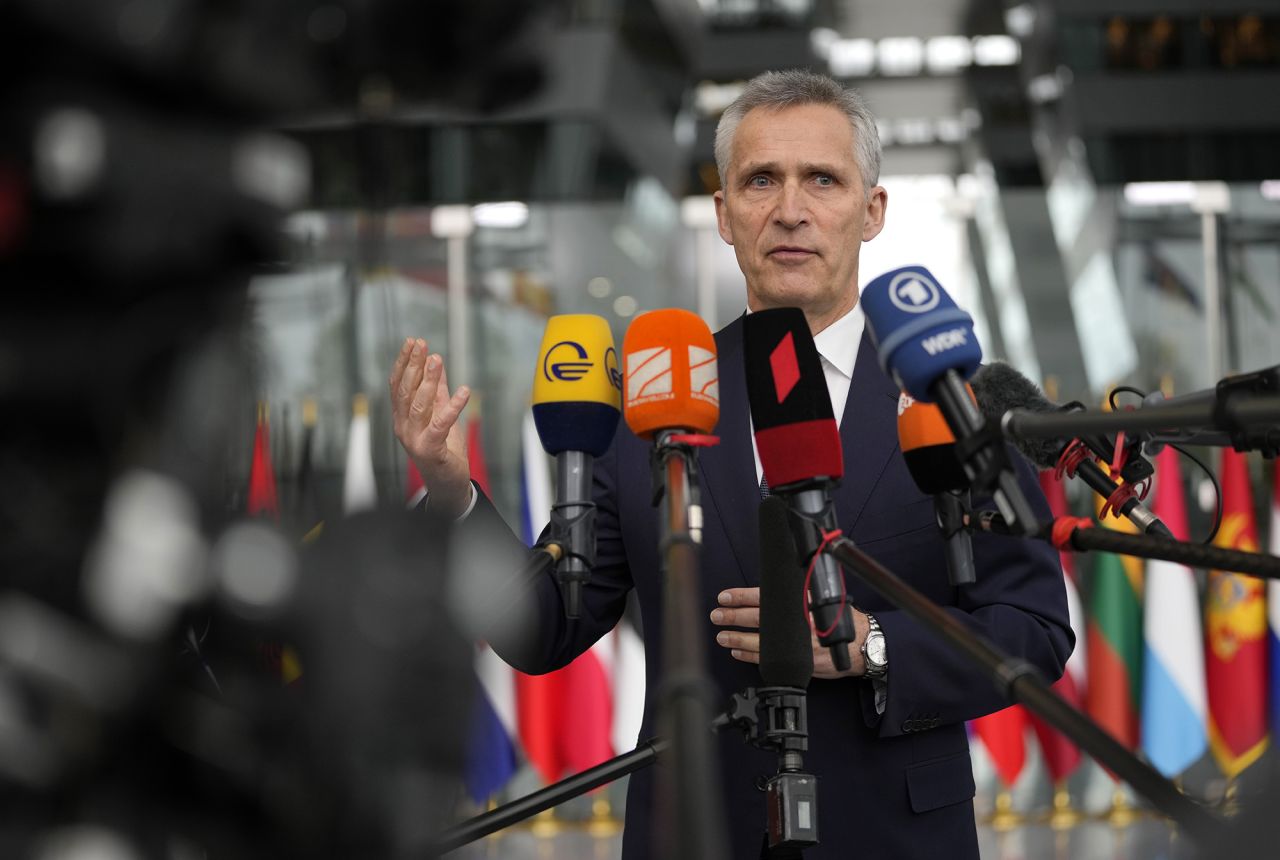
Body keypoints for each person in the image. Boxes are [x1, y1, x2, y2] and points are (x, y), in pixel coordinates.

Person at [389, 69, 1073, 860]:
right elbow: (543, 628)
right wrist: (450, 490)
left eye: (822, 179)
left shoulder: (947, 401)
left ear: (872, 210)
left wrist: (870, 646)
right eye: (761, 181)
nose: (791, 210)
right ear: (723, 213)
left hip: (896, 837)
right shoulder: (652, 401)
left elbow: (1033, 631)